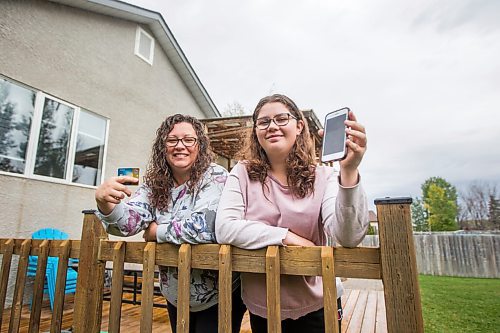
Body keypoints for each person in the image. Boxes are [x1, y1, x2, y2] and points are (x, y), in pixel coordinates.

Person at [215, 94, 369, 333]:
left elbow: (347, 236)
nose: (272, 126)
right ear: (256, 131)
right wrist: (287, 237)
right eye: (264, 122)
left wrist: (348, 172)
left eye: (281, 118)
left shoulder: (324, 176)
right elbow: (225, 228)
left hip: (319, 303)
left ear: (299, 126)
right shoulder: (242, 173)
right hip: (264, 307)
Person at [94, 114, 246, 333]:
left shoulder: (216, 175)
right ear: (162, 146)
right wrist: (106, 204)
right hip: (175, 294)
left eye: (188, 140)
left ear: (200, 145)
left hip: (220, 295)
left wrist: (156, 231)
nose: (180, 146)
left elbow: (204, 227)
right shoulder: (155, 184)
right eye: (172, 140)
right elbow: (128, 224)